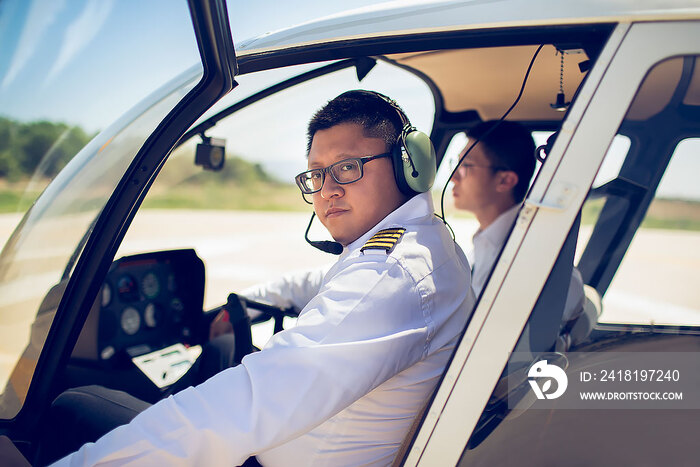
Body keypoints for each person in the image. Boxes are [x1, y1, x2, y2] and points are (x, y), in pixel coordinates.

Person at [51, 90, 475, 466]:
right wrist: (238, 305)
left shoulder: (392, 274)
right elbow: (314, 281)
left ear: (409, 166)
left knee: (74, 405)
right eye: (316, 174)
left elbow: (244, 406)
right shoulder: (420, 245)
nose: (327, 191)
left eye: (347, 168)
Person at [450, 120, 583, 323]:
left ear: (505, 181)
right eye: (456, 164)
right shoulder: (481, 247)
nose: (453, 178)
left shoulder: (532, 254)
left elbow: (569, 294)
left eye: (466, 166)